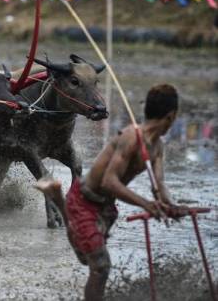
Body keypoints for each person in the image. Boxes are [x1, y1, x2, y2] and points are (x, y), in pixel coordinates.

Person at [35, 84, 188, 301]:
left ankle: (58, 198)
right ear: (171, 116)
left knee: (86, 259)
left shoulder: (157, 147)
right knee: (100, 267)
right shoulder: (130, 137)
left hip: (105, 208)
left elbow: (160, 185)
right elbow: (109, 181)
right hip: (84, 201)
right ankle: (61, 201)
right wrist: (146, 204)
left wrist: (171, 205)